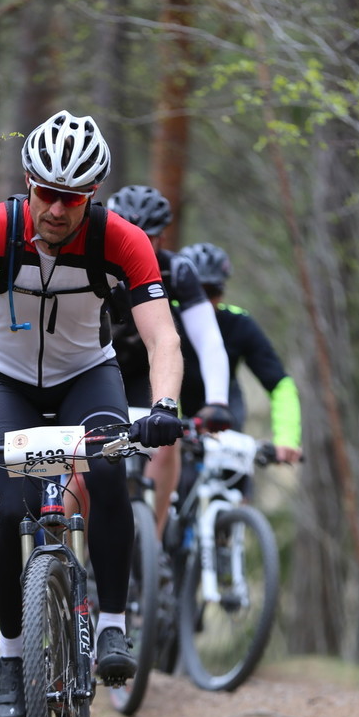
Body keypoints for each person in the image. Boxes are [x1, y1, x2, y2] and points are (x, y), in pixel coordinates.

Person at [0, 110, 183, 717]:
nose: (57, 209)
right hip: (8, 383)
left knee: (111, 475)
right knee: (10, 510)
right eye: (47, 194)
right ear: (29, 184)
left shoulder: (122, 241)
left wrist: (163, 407)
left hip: (90, 377)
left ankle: (111, 626)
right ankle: (11, 656)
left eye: (74, 198)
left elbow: (163, 338)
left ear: (93, 196)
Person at [105, 186, 232, 534]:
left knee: (166, 441)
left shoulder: (177, 271)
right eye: (127, 236)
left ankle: (153, 540)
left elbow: (209, 340)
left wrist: (218, 401)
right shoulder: (92, 263)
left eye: (147, 239)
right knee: (82, 465)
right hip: (100, 372)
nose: (135, 246)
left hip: (147, 375)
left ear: (161, 238)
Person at [177, 242, 302, 466]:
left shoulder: (239, 323)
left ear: (223, 290)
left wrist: (286, 438)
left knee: (234, 478)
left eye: (212, 292)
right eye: (195, 291)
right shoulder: (165, 316)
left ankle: (236, 501)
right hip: (173, 413)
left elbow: (280, 384)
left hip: (225, 416)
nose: (203, 301)